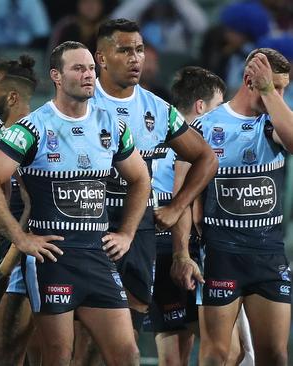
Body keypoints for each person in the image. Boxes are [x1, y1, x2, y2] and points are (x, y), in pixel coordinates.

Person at [0, 40, 149, 366]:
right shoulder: (34, 127)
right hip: (52, 258)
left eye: (90, 68)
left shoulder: (111, 125)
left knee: (127, 355)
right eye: (78, 68)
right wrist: (20, 238)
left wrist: (127, 233)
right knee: (56, 356)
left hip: (98, 257)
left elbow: (140, 179)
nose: (88, 75)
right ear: (56, 76)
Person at [91, 18, 217, 336]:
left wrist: (176, 207)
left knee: (123, 343)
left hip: (138, 235)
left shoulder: (157, 110)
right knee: (75, 342)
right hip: (88, 228)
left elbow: (206, 158)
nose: (135, 58)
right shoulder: (82, 102)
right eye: (124, 50)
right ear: (101, 58)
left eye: (140, 50)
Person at [190, 48, 292, 366]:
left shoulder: (272, 125)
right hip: (220, 254)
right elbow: (187, 190)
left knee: (274, 354)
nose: (280, 95)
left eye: (284, 89)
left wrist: (271, 95)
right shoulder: (205, 127)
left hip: (268, 254)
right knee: (217, 354)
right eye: (274, 87)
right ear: (250, 80)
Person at [149, 66, 225, 366]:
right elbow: (188, 205)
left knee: (172, 355)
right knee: (226, 350)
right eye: (219, 105)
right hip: (184, 250)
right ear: (201, 106)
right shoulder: (196, 148)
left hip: (153, 247)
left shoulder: (152, 138)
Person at [0, 54, 40, 366]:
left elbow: (34, 211)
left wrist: (3, 271)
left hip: (29, 260)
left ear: (12, 96)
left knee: (9, 354)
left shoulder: (31, 138)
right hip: (8, 254)